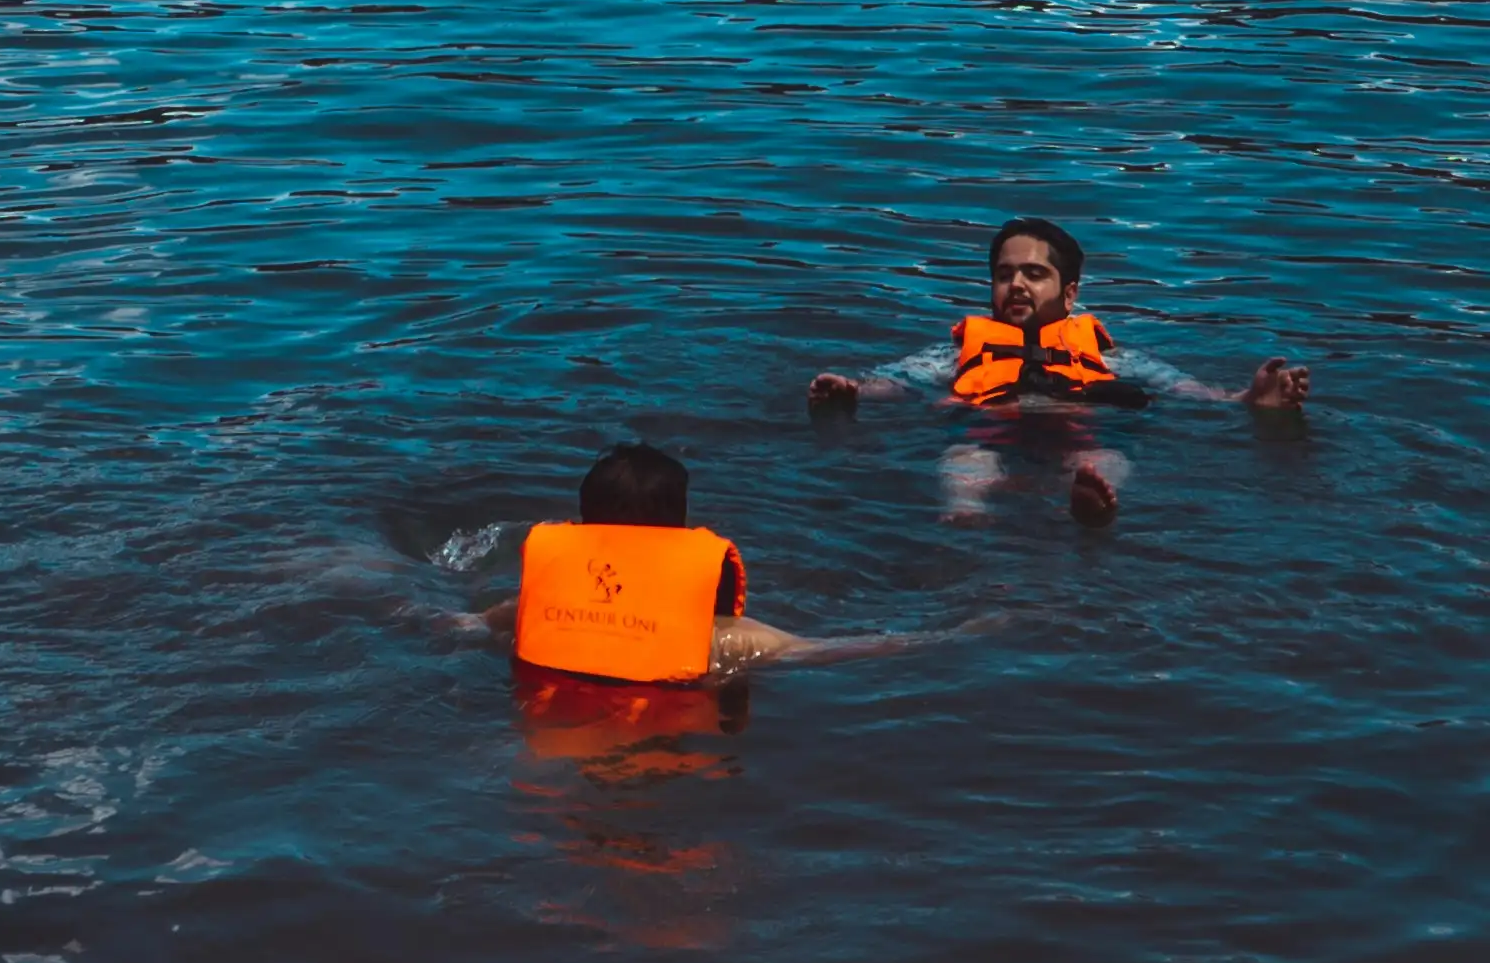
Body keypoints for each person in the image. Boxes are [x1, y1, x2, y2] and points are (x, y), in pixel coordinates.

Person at [807, 215, 1310, 522]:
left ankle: (1090, 502)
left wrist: (1245, 400)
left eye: (1034, 274)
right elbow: (899, 380)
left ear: (1070, 293)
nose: (1017, 285)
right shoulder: (957, 353)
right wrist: (855, 390)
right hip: (990, 432)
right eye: (1004, 276)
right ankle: (966, 513)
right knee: (963, 462)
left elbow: (1181, 387)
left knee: (1104, 459)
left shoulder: (1111, 356)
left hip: (1079, 431)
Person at [485, 441, 827, 690]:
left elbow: (465, 626)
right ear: (677, 531)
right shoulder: (723, 639)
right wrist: (882, 643)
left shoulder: (529, 613)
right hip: (659, 750)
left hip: (544, 740)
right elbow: (818, 653)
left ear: (584, 524)